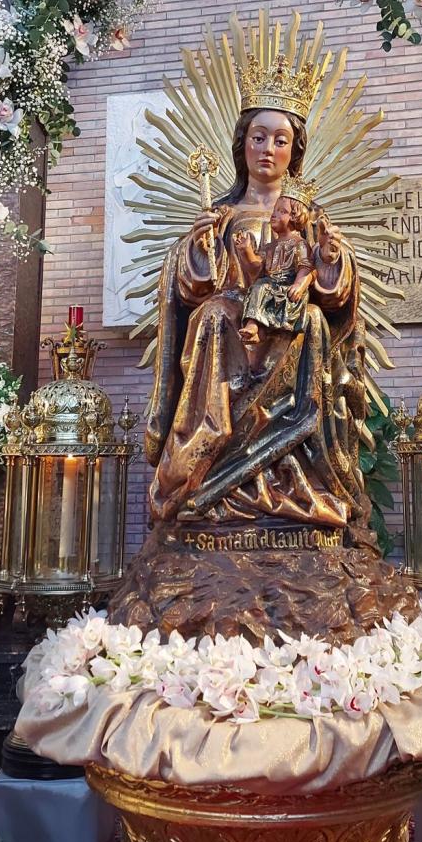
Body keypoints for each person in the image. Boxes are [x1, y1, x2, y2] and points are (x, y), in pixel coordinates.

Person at [145, 88, 365, 531]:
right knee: (211, 315)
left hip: (290, 323)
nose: (268, 149)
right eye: (259, 137)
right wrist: (200, 245)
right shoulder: (222, 214)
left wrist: (330, 256)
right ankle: (206, 463)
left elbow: (334, 292)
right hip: (231, 324)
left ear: (294, 152)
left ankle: (295, 475)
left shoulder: (310, 216)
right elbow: (192, 289)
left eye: (280, 140)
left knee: (315, 321)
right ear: (242, 143)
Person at [236, 183, 316, 345]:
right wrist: (246, 251)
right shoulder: (270, 246)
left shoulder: (299, 244)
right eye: (275, 210)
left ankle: (256, 327)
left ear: (295, 217)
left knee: (262, 286)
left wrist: (299, 285)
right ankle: (253, 327)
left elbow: (306, 268)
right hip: (270, 286)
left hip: (288, 289)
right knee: (259, 286)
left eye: (282, 211)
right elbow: (257, 267)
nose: (274, 215)